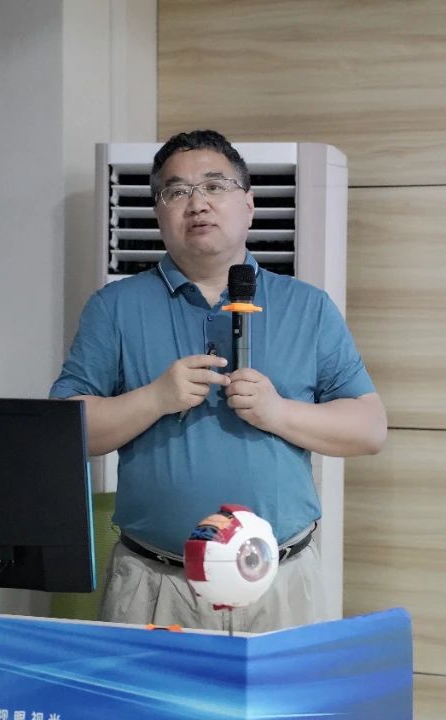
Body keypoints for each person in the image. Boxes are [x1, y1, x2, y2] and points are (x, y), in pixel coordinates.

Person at [51, 129, 386, 632]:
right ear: (159, 212)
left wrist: (278, 412)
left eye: (214, 186)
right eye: (176, 191)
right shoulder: (114, 307)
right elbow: (63, 433)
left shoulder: (308, 306)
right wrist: (155, 398)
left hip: (280, 583)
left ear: (249, 204)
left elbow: (369, 429)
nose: (197, 203)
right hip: (154, 583)